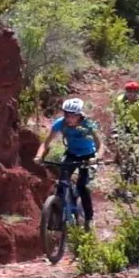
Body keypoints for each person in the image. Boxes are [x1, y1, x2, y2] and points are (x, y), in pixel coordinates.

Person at [34, 98, 102, 229]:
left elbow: (100, 145)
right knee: (61, 184)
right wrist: (38, 156)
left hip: (88, 156)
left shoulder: (88, 124)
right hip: (71, 154)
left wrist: (96, 157)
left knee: (82, 186)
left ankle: (89, 219)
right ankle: (57, 218)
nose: (69, 118)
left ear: (79, 115)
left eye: (72, 115)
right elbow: (46, 143)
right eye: (66, 115)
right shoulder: (60, 123)